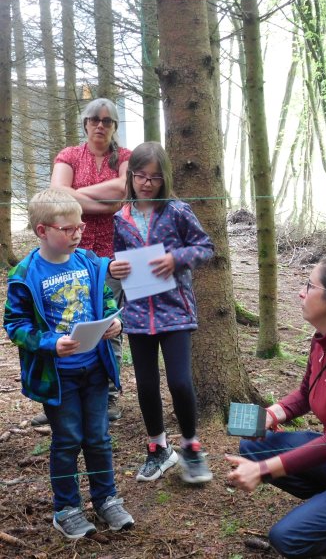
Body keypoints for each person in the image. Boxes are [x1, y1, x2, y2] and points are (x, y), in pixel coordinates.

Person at [226, 257, 326, 558]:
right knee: (251, 446)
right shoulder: (324, 340)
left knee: (287, 539)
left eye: (309, 286)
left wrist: (262, 471)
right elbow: (305, 394)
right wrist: (270, 415)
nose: (302, 293)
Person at [3, 189, 134, 540]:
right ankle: (67, 509)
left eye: (80, 226)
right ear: (43, 231)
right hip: (58, 377)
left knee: (99, 437)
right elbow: (15, 326)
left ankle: (106, 499)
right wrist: (50, 343)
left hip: (94, 370)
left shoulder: (88, 262)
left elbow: (106, 300)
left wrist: (113, 321)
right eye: (68, 228)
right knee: (67, 440)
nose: (77, 233)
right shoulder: (24, 274)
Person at [109, 141, 215, 484]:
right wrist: (116, 269)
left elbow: (205, 248)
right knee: (146, 385)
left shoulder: (178, 211)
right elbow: (119, 260)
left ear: (164, 178)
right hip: (138, 313)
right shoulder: (120, 218)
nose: (147, 183)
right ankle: (157, 448)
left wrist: (176, 259)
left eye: (154, 177)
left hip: (175, 312)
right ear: (131, 176)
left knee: (181, 382)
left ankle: (191, 447)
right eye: (140, 175)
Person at [41, 97, 131, 425]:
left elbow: (124, 188)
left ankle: (107, 395)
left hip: (111, 256)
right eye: (95, 119)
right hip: (68, 255)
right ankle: (60, 394)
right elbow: (56, 197)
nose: (100, 125)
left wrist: (76, 196)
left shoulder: (125, 157)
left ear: (114, 126)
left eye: (107, 121)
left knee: (109, 325)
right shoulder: (69, 155)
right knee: (63, 320)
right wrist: (104, 202)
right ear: (85, 123)